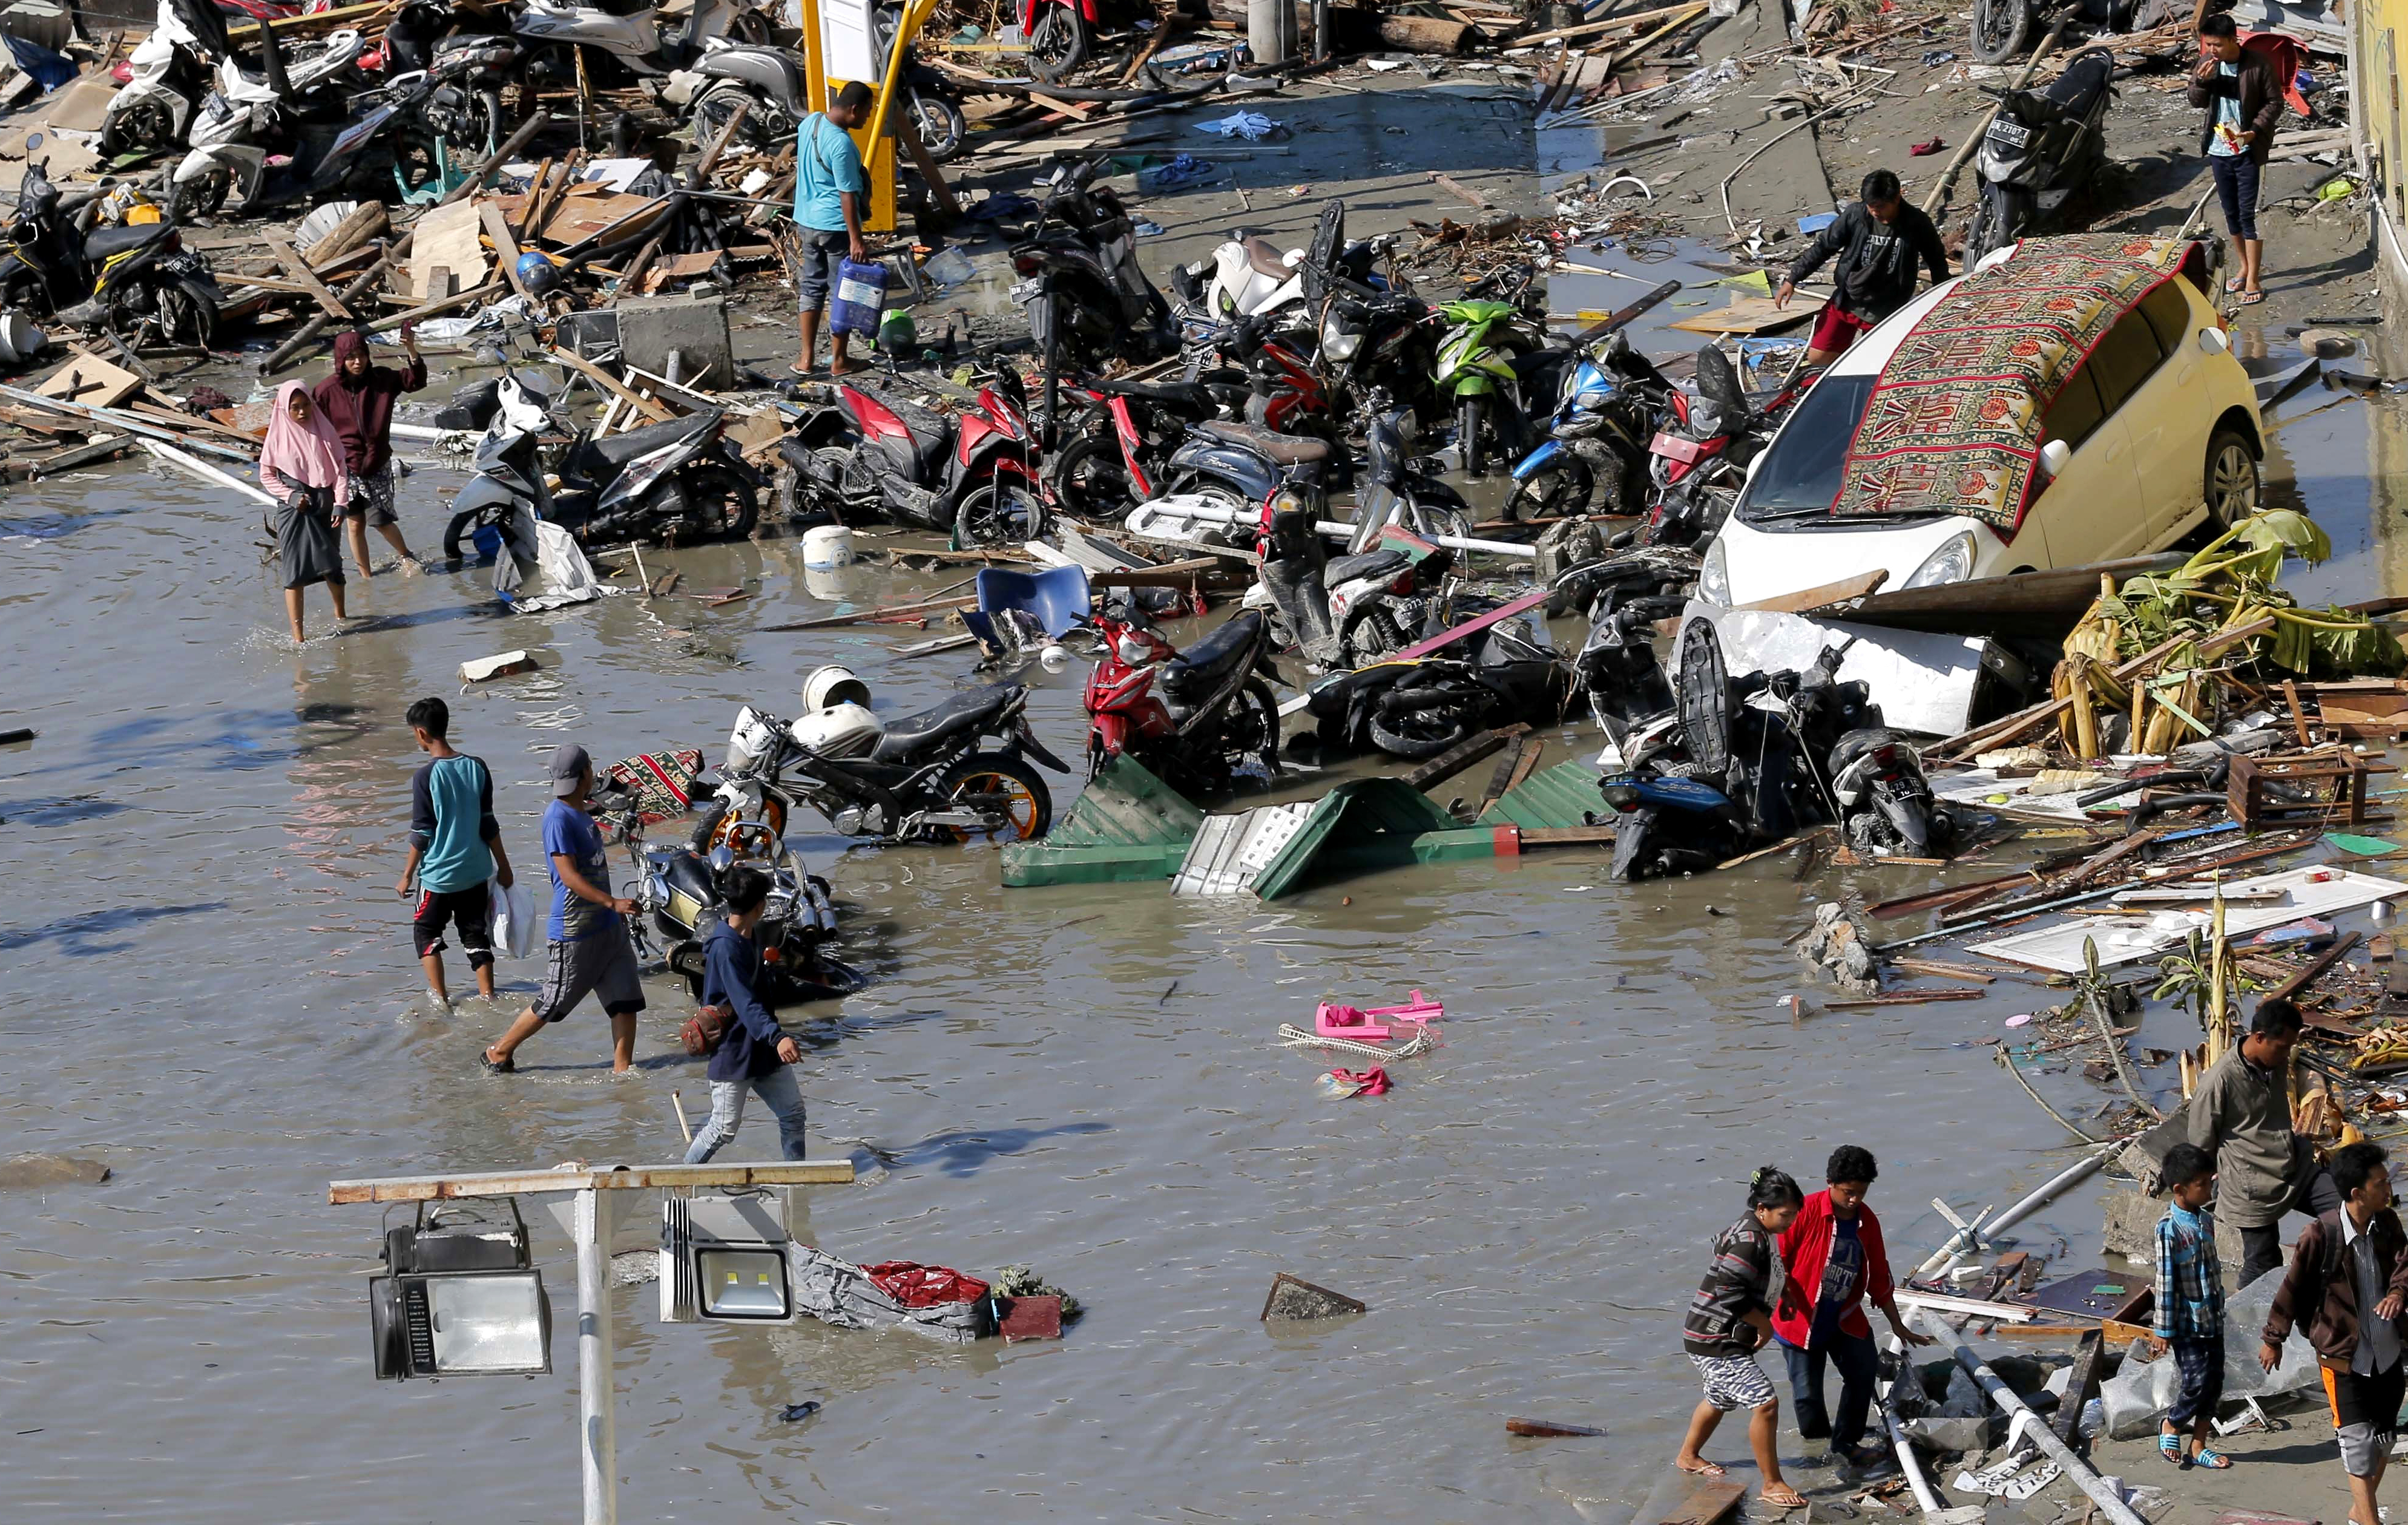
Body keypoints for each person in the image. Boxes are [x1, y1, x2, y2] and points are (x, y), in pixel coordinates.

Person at [2262, 1142, 2408, 1525]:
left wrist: (2398, 1294)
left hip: (2388, 1352)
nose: (2388, 1189)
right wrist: (2273, 1339)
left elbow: (2404, 1266)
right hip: (2342, 1357)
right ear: (2357, 1193)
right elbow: (2292, 1288)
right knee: (2356, 1442)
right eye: (2380, 1184)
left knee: (2384, 1439)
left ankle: (2360, 1512)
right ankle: (2370, 1521)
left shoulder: (2388, 1224)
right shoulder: (2320, 1234)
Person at [481, 744, 646, 1075]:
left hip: (608, 928)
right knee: (554, 1000)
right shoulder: (557, 818)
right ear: (585, 774)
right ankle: (500, 1052)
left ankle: (623, 1075)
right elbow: (568, 877)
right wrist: (612, 902)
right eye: (591, 769)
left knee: (625, 1000)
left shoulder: (582, 812)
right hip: (575, 931)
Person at [1771, 1145, 1933, 1473]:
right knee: (1806, 1396)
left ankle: (1847, 1445)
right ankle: (1817, 1456)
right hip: (1801, 1318)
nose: (1854, 1200)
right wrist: (1779, 1299)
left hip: (1845, 1316)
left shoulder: (1867, 1222)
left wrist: (1898, 1325)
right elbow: (1778, 1261)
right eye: (1848, 1192)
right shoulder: (1803, 1212)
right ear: (1830, 1183)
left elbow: (1879, 1274)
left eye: (1861, 1192)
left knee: (1862, 1374)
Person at [1676, 1166, 1810, 1510]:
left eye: (1794, 1215)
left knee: (1719, 1397)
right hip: (1714, 1338)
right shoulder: (1750, 1241)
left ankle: (1688, 1456)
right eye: (1785, 1215)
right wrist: (1765, 1326)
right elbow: (1729, 1291)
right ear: (1762, 1208)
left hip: (1711, 1332)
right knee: (1765, 1403)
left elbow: (1765, 1272)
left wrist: (1783, 1295)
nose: (1791, 1222)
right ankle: (1772, 1483)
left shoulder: (1760, 1230)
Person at [2187, 997, 2340, 1286]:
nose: (2286, 1056)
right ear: (2259, 1038)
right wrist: (2205, 1189)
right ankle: (2242, 1312)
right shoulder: (2218, 1084)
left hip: (2293, 1164)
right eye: (2282, 1047)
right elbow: (2200, 1145)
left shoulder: (2275, 1062)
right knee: (2263, 1264)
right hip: (2251, 1186)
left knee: (2350, 1209)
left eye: (2290, 1047)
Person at [682, 864, 810, 1164]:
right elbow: (745, 1003)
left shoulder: (748, 937)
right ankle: (683, 1180)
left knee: (793, 1114)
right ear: (760, 906)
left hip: (761, 1050)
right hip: (736, 1051)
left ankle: (797, 1180)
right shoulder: (726, 949)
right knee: (722, 1129)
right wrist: (778, 1037)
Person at [396, 696, 512, 1009]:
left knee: (426, 933)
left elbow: (422, 833)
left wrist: (407, 875)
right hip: (475, 872)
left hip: (439, 877)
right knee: (475, 935)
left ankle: (442, 1002)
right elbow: (488, 824)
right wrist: (504, 867)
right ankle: (489, 998)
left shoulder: (425, 777)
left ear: (421, 733)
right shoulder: (477, 767)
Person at [1775, 170, 1952, 367]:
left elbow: (1936, 261)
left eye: (1881, 207)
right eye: (1871, 207)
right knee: (1818, 358)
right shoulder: (1856, 215)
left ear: (1897, 198)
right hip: (1848, 299)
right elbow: (1823, 247)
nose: (1876, 212)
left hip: (1887, 308)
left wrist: (1944, 300)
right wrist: (1793, 278)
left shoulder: (1917, 223)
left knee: (1878, 364)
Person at [313, 325, 427, 576]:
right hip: (346, 468)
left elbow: (416, 381)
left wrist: (411, 348)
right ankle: (366, 577)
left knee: (381, 521)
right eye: (350, 358)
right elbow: (314, 430)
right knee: (355, 524)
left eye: (362, 356)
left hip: (378, 464)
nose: (358, 362)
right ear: (340, 360)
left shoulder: (383, 380)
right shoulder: (326, 391)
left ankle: (406, 556)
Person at [2188, 13, 2281, 307]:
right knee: (2230, 214)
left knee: (2248, 214)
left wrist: (2254, 131)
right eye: (2208, 45)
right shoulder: (2206, 63)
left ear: (2233, 40)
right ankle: (2243, 267)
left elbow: (2274, 102)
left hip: (2248, 151)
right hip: (2219, 150)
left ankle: (2253, 278)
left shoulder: (2258, 64)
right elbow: (2196, 101)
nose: (2212, 50)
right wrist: (2201, 82)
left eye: (2217, 45)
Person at [2154, 1143, 2231, 1469]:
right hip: (2187, 1322)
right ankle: (2172, 1423)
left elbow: (2212, 1270)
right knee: (2195, 1381)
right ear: (2180, 1189)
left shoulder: (2206, 1221)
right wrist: (2163, 1330)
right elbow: (2165, 1282)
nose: (2209, 1189)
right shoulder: (2169, 1229)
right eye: (2202, 1185)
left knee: (2214, 1383)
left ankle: (2198, 1445)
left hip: (2212, 1317)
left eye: (2209, 1182)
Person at [791, 80, 872, 378]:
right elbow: (846, 194)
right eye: (867, 112)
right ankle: (840, 361)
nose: (867, 118)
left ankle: (806, 360)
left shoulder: (811, 123)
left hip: (806, 221)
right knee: (842, 293)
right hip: (835, 226)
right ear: (854, 109)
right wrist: (856, 239)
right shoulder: (842, 145)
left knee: (811, 288)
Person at [260, 380, 350, 644]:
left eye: (306, 405)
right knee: (294, 573)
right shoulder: (277, 436)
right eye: (295, 408)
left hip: (326, 506)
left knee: (332, 565)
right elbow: (267, 475)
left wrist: (341, 503)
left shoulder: (324, 430)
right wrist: (290, 496)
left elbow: (341, 470)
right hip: (294, 510)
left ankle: (342, 617)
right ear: (284, 409)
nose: (302, 412)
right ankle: (298, 637)